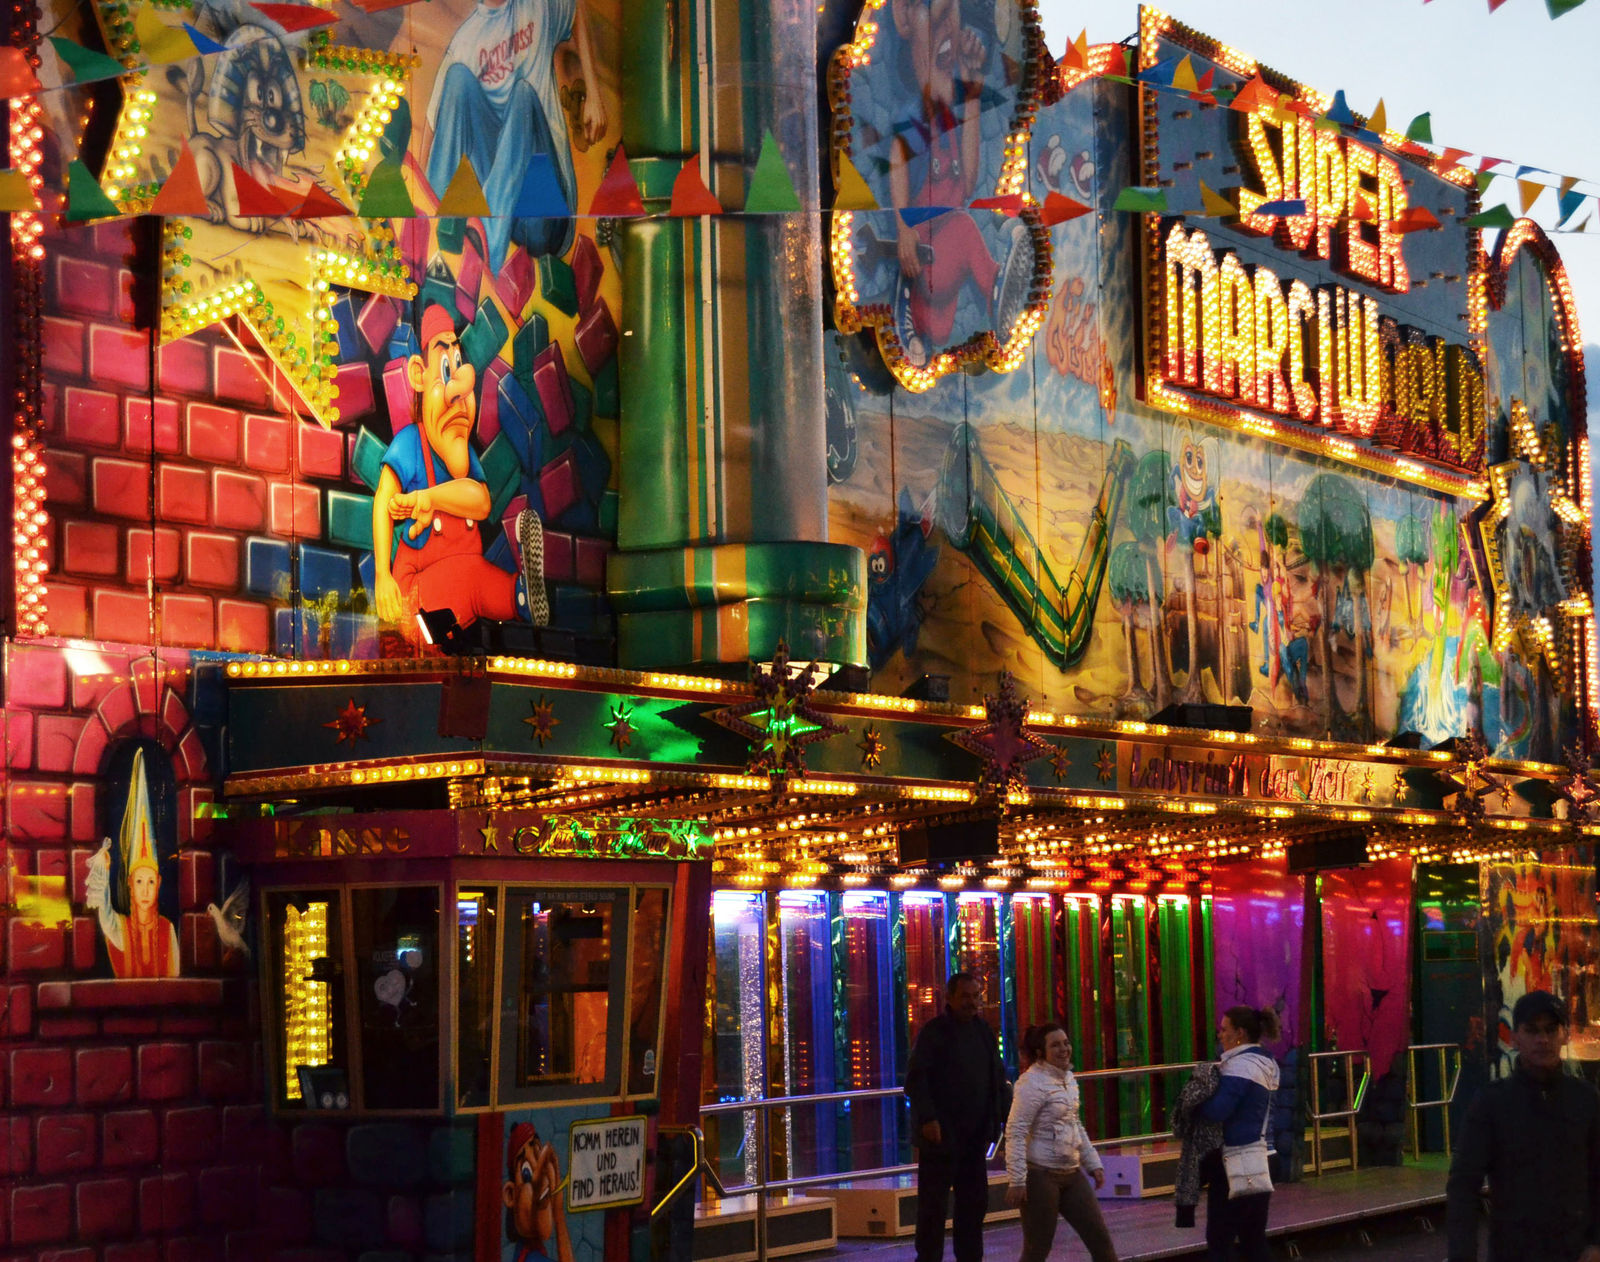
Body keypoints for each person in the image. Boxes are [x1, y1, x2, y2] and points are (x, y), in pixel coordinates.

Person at [371, 303, 547, 638]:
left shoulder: (462, 451)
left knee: (477, 577)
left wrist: (427, 498)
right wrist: (382, 575)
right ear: (419, 375)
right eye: (446, 369)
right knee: (469, 575)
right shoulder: (412, 443)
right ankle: (517, 597)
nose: (459, 395)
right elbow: (382, 500)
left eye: (460, 368)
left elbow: (480, 501)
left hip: (459, 597)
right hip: (414, 602)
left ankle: (521, 598)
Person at [424, 0, 606, 271]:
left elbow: (575, 10)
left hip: (544, 214)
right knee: (458, 78)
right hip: (504, 217)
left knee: (522, 96)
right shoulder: (464, 42)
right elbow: (433, 126)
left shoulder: (538, 7)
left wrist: (594, 94)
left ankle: (488, 253)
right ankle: (437, 233)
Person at [1445, 990, 1600, 1262]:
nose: (1543, 1039)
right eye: (1532, 1030)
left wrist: (1596, 1242)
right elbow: (1464, 1185)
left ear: (1564, 1035)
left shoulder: (1585, 1100)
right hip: (1514, 1250)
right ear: (1515, 1037)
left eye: (1551, 1030)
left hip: (1575, 1251)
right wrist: (1462, 1255)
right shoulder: (1492, 1103)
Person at [905, 971, 1007, 1262]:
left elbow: (996, 1077)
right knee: (933, 1208)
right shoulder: (933, 1032)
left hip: (974, 1137)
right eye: (965, 997)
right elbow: (916, 1080)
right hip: (940, 1137)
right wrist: (928, 1119)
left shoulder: (984, 1031)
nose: (972, 1002)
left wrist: (1000, 1118)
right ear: (949, 998)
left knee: (974, 1205)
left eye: (976, 996)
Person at [1002, 1023, 1118, 1262]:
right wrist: (1017, 1180)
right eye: (1055, 1045)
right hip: (1041, 1175)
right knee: (1037, 1250)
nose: (1064, 1049)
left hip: (1071, 1172)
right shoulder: (1031, 1083)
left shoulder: (1068, 1078)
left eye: (1066, 1043)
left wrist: (1092, 1163)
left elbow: (1074, 1123)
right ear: (1040, 1052)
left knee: (1101, 1243)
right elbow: (1016, 1131)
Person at [1194, 1005, 1281, 1262]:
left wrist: (1196, 1104)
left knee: (1220, 1239)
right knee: (1253, 1240)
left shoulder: (1240, 1067)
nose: (1220, 1035)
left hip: (1236, 1160)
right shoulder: (1267, 1062)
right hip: (1263, 1156)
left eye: (1224, 1029)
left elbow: (1218, 1111)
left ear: (1240, 1033)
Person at [86, 749, 180, 978]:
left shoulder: (167, 929)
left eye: (150, 882)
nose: (145, 890)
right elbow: (104, 912)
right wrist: (103, 870)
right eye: (139, 881)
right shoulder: (121, 929)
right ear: (129, 883)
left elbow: (175, 978)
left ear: (158, 883)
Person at [503, 1122, 574, 1262]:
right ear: (511, 1195)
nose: (540, 1180)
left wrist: (557, 1205)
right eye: (527, 1173)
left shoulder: (527, 1251)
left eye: (540, 1159)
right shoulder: (532, 1258)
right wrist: (558, 1214)